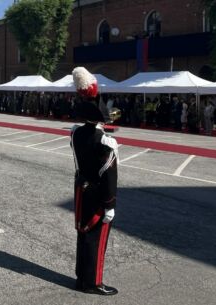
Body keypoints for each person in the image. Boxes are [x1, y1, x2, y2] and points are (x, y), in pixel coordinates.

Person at [70, 67, 118, 296]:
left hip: (81, 189)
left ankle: (81, 278)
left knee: (83, 236)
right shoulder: (105, 141)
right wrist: (110, 204)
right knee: (96, 240)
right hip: (98, 194)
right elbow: (109, 174)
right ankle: (93, 282)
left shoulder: (76, 134)